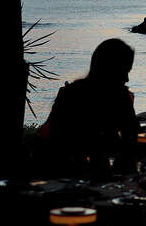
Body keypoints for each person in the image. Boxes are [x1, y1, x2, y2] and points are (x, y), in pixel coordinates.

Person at [42, 38, 139, 175]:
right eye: (124, 71)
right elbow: (57, 145)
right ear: (108, 68)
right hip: (71, 176)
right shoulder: (71, 96)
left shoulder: (121, 97)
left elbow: (131, 138)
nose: (127, 79)